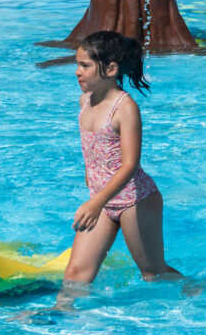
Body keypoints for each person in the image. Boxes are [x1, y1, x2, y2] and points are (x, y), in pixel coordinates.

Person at [60, 30, 184, 308]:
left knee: (153, 274)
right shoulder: (85, 101)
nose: (77, 72)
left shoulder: (124, 108)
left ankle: (194, 290)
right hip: (101, 202)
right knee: (76, 274)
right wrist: (95, 195)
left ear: (111, 69)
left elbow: (130, 164)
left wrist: (96, 201)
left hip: (134, 201)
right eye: (77, 64)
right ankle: (59, 316)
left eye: (85, 65)